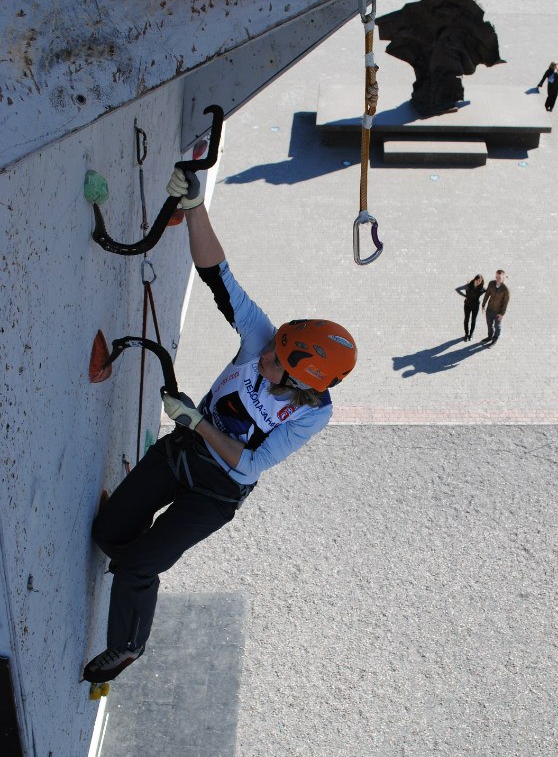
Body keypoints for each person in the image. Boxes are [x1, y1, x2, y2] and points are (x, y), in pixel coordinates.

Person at [83, 167, 357, 684]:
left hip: (217, 492)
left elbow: (252, 464)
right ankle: (135, 543)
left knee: (138, 567)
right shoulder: (263, 338)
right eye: (273, 348)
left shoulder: (312, 415)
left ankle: (126, 647)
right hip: (182, 451)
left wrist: (199, 422)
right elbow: (219, 277)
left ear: (301, 383)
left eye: (276, 362)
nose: (265, 356)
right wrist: (194, 207)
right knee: (106, 536)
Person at [481, 270, 510, 346]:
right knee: (489, 324)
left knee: (497, 326)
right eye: (496, 277)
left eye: (499, 277)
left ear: (503, 278)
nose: (497, 279)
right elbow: (487, 294)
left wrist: (502, 314)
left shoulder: (505, 290)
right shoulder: (491, 283)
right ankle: (490, 336)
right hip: (489, 309)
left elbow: (505, 303)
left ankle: (495, 339)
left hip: (498, 312)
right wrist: (483, 304)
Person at [456, 275, 485, 341]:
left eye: (480, 281)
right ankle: (466, 334)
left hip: (476, 306)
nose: (478, 282)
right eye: (477, 280)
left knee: (473, 320)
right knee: (466, 320)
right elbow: (457, 289)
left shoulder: (482, 288)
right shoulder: (468, 285)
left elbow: (488, 291)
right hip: (467, 305)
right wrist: (465, 296)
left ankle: (471, 334)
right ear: (474, 279)